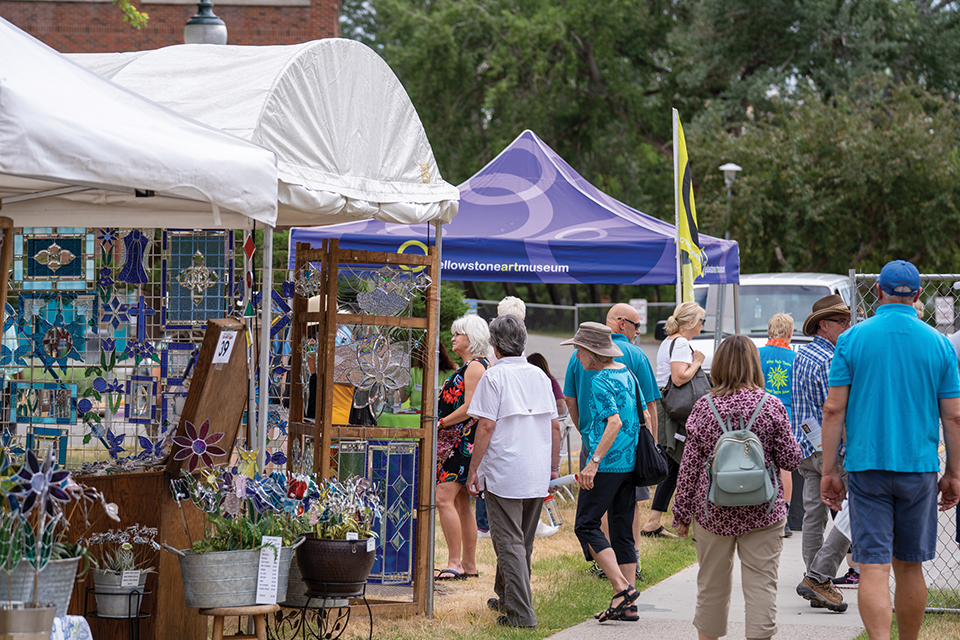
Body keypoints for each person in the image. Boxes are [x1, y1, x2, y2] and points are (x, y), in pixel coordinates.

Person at [821, 260, 960, 640]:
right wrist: (953, 473)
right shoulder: (939, 344)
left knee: (874, 567)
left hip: (867, 468)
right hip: (918, 467)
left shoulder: (851, 340)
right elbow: (954, 417)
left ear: (878, 290)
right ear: (917, 296)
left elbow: (833, 409)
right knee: (911, 567)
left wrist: (829, 470)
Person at [672, 335, 802, 640]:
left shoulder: (704, 408)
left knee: (711, 585)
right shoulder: (771, 405)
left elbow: (689, 466)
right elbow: (790, 459)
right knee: (761, 585)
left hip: (713, 511)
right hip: (763, 511)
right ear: (754, 365)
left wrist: (681, 513)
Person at [466, 315, 561, 629]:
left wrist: (473, 469)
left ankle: (521, 614)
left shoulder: (494, 377)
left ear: (494, 345)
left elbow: (486, 425)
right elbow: (554, 424)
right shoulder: (538, 376)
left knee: (509, 543)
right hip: (535, 470)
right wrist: (552, 467)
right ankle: (506, 597)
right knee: (521, 542)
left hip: (505, 471)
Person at [562, 322, 642, 623]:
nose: (577, 357)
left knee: (585, 524)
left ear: (591, 353)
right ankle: (628, 605)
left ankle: (623, 589)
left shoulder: (598, 380)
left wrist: (593, 461)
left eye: (578, 351)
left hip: (606, 463)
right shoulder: (626, 372)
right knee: (622, 530)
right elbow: (642, 413)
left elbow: (614, 422)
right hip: (629, 462)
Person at [791, 294, 855, 611]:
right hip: (834, 450)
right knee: (852, 512)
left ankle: (817, 583)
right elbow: (837, 410)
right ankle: (820, 577)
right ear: (824, 325)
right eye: (842, 322)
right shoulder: (831, 359)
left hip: (806, 446)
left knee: (813, 517)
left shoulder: (801, 355)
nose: (847, 326)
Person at [435, 313, 490, 580]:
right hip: (459, 440)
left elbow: (470, 408)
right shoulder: (470, 365)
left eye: (458, 333)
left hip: (462, 441)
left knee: (442, 498)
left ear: (472, 338)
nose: (453, 337)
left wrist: (440, 422)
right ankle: (467, 564)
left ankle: (455, 562)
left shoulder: (475, 367)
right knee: (459, 502)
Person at [645, 301, 706, 538]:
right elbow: (679, 378)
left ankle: (655, 520)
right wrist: (698, 362)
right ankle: (677, 521)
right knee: (678, 462)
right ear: (690, 322)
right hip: (675, 410)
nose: (703, 324)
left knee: (674, 464)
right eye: (701, 320)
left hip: (667, 407)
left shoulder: (670, 341)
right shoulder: (681, 343)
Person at [758, 312, 797, 538]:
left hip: (760, 413)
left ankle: (761, 510)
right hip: (787, 413)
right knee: (785, 466)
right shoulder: (795, 358)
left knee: (760, 460)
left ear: (768, 331)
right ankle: (785, 516)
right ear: (790, 334)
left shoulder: (757, 354)